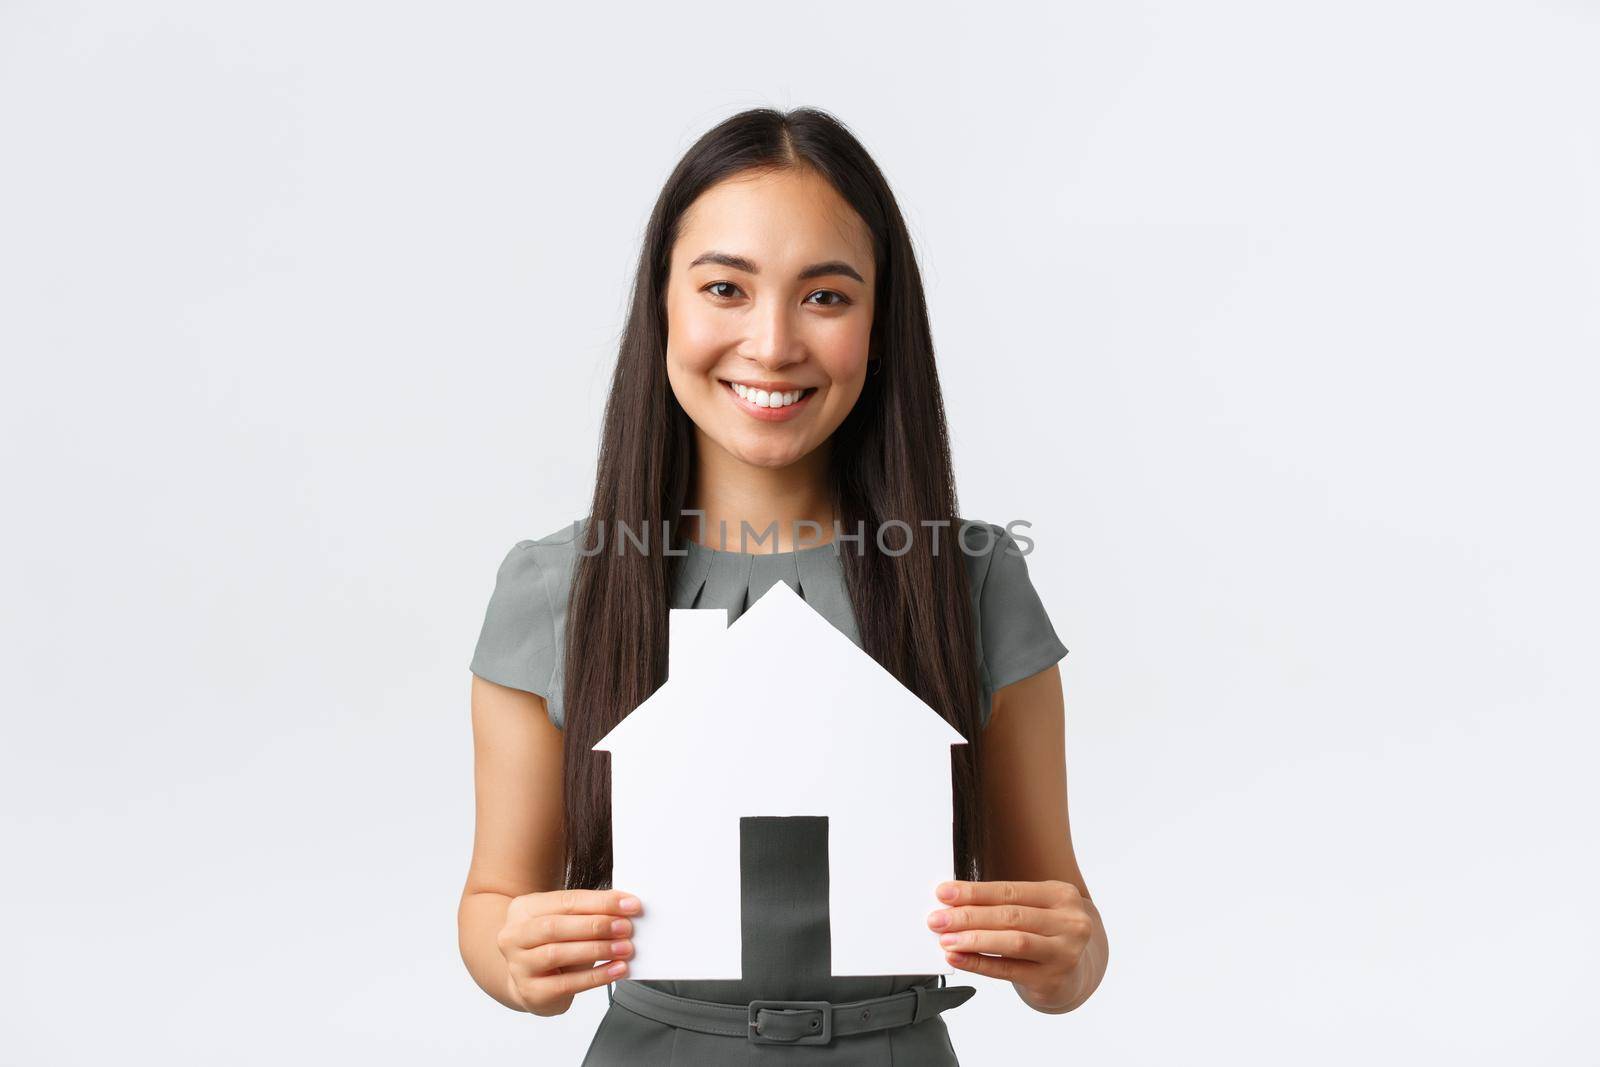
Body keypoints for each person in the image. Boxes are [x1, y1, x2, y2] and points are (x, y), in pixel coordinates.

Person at [458, 106, 1109, 1065]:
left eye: (826, 297)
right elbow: (492, 903)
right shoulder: (557, 587)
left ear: (880, 323)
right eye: (725, 287)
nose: (770, 344)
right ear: (663, 305)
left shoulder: (968, 582)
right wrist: (512, 959)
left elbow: (1066, 927)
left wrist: (1068, 957)